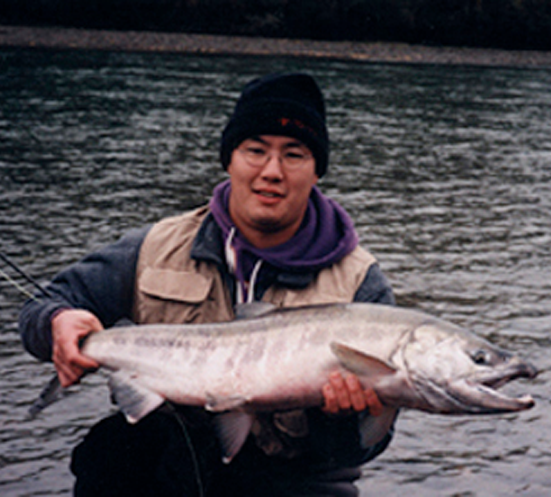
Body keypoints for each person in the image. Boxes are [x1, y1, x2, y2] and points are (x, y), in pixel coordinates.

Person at [20, 72, 397, 496]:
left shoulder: (362, 284)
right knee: (114, 450)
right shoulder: (154, 247)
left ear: (316, 171)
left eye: (294, 154)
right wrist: (58, 321)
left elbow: (362, 448)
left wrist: (340, 419)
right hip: (172, 462)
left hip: (297, 479)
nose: (272, 171)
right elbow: (43, 306)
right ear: (230, 159)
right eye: (255, 150)